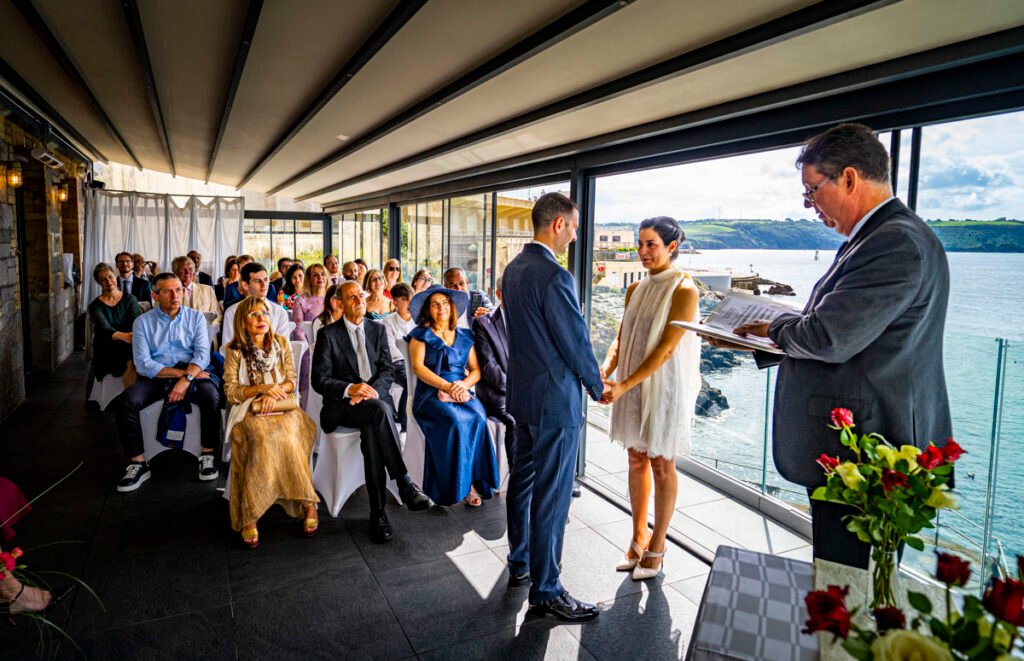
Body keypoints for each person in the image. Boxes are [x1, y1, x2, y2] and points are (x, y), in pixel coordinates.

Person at [713, 123, 952, 569]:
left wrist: (774, 326)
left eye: (812, 191)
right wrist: (771, 334)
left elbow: (826, 335)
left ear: (848, 178)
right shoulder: (874, 238)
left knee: (850, 584)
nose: (809, 206)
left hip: (867, 452)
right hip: (858, 449)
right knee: (840, 574)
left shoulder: (894, 242)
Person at [502, 192, 607, 621]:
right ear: (558, 224)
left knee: (523, 481)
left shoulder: (513, 269)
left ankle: (521, 562)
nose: (576, 235)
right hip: (553, 402)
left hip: (523, 394)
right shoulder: (554, 275)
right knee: (552, 495)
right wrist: (598, 387)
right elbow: (574, 340)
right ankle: (547, 590)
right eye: (575, 226)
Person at [599, 216, 701, 581]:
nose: (642, 252)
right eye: (639, 244)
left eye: (650, 244)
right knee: (635, 458)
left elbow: (666, 351)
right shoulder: (635, 289)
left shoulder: (685, 290)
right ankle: (637, 536)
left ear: (672, 247)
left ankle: (658, 545)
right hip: (631, 382)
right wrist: (606, 369)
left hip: (664, 386)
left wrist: (623, 384)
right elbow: (622, 337)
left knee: (662, 463)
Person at [311, 281, 430, 543]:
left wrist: (371, 391)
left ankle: (378, 514)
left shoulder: (377, 330)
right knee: (378, 413)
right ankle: (403, 481)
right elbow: (319, 380)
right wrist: (351, 389)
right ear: (339, 304)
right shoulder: (328, 334)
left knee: (372, 427)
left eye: (361, 296)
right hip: (342, 408)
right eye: (352, 298)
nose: (360, 301)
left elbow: (387, 370)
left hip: (373, 404)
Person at [222, 296, 320, 549]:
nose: (261, 319)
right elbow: (231, 392)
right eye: (253, 315)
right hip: (249, 410)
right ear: (242, 321)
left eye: (264, 314)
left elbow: (291, 379)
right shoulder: (233, 350)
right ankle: (250, 512)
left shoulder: (281, 343)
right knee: (263, 438)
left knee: (289, 436)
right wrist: (260, 389)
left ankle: (308, 502)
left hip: (283, 406)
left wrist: (273, 391)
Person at [115, 273, 222, 492]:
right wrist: (181, 375)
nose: (175, 295)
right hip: (157, 377)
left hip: (192, 374)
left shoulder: (196, 318)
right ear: (155, 295)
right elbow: (143, 364)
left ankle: (207, 454)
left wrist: (185, 380)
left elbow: (202, 355)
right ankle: (138, 462)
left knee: (212, 396)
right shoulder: (142, 322)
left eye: (179, 290)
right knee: (125, 402)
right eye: (168, 291)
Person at [406, 287, 498, 507]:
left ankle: (475, 482)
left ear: (452, 307)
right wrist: (446, 386)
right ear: (428, 309)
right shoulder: (420, 335)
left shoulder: (465, 336)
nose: (441, 308)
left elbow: (476, 370)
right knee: (455, 423)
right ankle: (458, 487)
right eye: (435, 304)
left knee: (479, 419)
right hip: (431, 393)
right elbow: (418, 368)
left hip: (460, 390)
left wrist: (463, 385)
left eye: (445, 303)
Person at [471, 277, 515, 469]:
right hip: (497, 393)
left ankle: (556, 475)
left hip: (527, 390)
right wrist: (517, 390)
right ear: (499, 295)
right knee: (518, 420)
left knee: (571, 415)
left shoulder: (529, 322)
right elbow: (489, 368)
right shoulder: (483, 323)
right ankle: (519, 479)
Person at [88, 263, 142, 388]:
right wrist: (128, 337)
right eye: (103, 279)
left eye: (110, 277)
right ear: (98, 282)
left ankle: (136, 396)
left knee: (137, 355)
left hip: (129, 338)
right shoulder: (95, 306)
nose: (108, 281)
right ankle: (129, 398)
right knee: (129, 359)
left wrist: (132, 337)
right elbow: (105, 329)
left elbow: (136, 322)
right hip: (107, 342)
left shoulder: (130, 299)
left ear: (115, 276)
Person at [223, 263, 293, 346]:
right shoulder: (232, 312)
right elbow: (227, 347)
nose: (264, 285)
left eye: (266, 280)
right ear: (245, 285)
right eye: (257, 281)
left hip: (273, 357)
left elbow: (283, 347)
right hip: (240, 357)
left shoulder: (279, 312)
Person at [293, 263, 328, 342]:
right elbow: (298, 331)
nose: (320, 277)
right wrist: (309, 349)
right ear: (309, 279)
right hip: (310, 346)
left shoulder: (334, 298)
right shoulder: (301, 300)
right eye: (315, 275)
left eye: (323, 274)